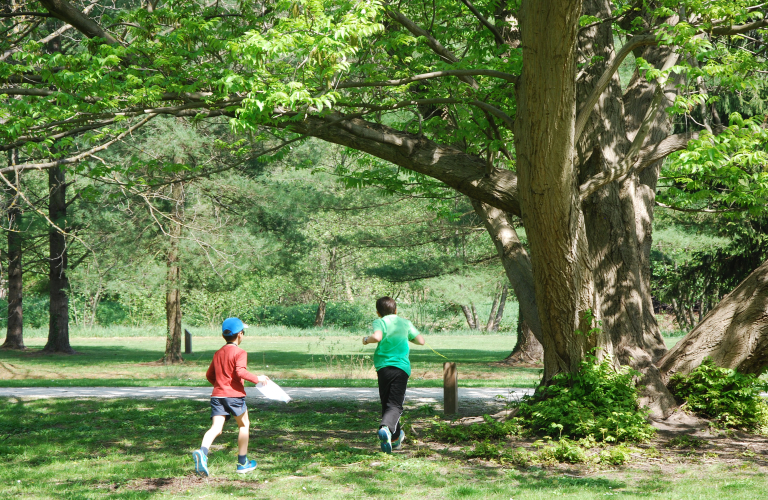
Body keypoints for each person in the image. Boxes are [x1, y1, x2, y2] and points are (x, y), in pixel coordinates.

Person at [192, 317, 269, 476]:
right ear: (240, 334)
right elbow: (240, 372)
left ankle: (203, 453)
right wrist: (258, 379)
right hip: (234, 396)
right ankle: (242, 463)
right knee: (244, 425)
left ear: (223, 336)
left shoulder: (218, 353)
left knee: (215, 428)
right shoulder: (240, 352)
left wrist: (220, 384)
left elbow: (209, 375)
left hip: (217, 396)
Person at [362, 296, 425, 453]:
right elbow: (421, 341)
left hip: (383, 368)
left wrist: (365, 340)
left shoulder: (380, 322)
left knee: (387, 402)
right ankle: (385, 428)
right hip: (401, 368)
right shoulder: (405, 323)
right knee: (395, 404)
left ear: (378, 313)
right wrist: (408, 336)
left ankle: (394, 439)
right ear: (396, 310)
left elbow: (377, 337)